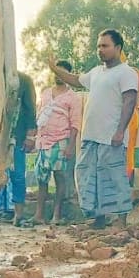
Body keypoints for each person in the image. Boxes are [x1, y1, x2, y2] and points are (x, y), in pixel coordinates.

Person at [50, 31, 139, 228]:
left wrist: (119, 131)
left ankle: (120, 222)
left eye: (105, 46)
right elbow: (75, 79)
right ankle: (98, 219)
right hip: (91, 136)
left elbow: (129, 101)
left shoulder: (126, 73)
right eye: (99, 46)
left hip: (111, 137)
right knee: (88, 175)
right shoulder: (96, 72)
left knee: (114, 178)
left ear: (118, 48)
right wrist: (55, 69)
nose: (101, 50)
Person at [33, 60, 82, 224]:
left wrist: (70, 146)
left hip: (61, 139)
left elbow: (75, 123)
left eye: (62, 73)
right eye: (57, 72)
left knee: (60, 177)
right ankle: (39, 215)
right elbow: (40, 114)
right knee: (42, 178)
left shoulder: (72, 97)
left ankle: (56, 215)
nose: (59, 76)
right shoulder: (46, 93)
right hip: (44, 140)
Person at [7, 70, 36, 226]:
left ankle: (19, 214)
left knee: (18, 174)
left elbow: (31, 110)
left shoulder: (24, 80)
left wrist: (30, 136)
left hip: (16, 135)